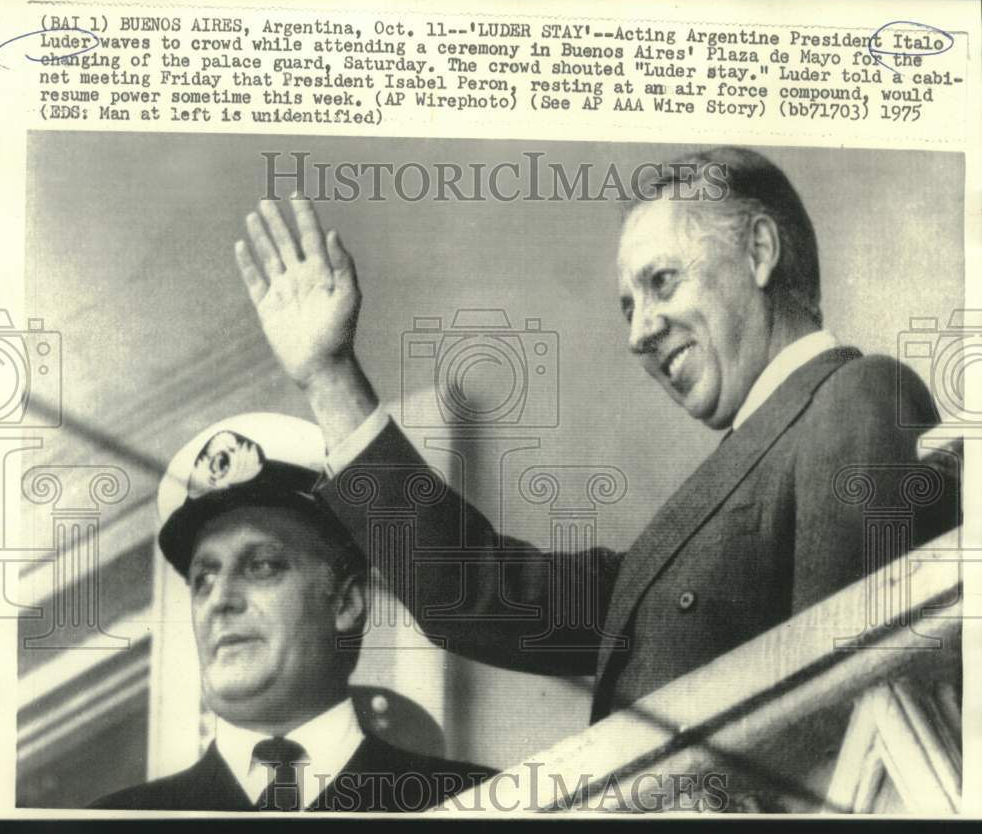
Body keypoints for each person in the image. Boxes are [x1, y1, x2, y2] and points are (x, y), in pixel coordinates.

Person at [230, 146, 959, 728]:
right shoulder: (663, 556)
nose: (639, 331)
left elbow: (856, 715)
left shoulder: (858, 399)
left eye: (663, 282)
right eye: (627, 305)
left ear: (760, 251)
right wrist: (328, 376)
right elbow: (469, 592)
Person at [90, 412, 494, 812]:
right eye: (203, 580)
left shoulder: (476, 803)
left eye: (261, 566)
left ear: (347, 602)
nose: (219, 601)